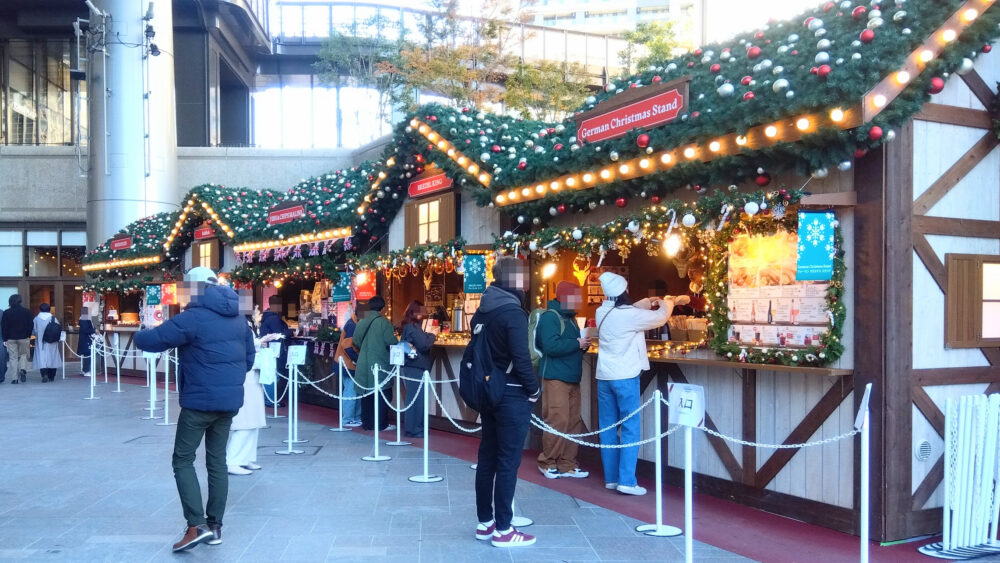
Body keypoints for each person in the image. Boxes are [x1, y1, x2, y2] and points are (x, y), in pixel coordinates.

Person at [134, 267, 255, 552]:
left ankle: (196, 526)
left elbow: (153, 341)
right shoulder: (239, 317)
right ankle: (215, 527)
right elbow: (249, 359)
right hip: (229, 402)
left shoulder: (192, 317)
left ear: (195, 287)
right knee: (217, 462)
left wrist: (141, 331)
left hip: (199, 402)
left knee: (183, 460)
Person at [471, 256, 540, 548]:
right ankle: (503, 529)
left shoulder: (483, 310)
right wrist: (533, 389)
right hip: (512, 393)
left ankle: (485, 522)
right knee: (508, 461)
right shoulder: (513, 313)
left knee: (487, 457)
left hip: (488, 391)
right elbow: (521, 358)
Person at [594, 272, 678, 496]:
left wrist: (647, 301)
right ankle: (627, 481)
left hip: (604, 377)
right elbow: (660, 317)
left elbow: (629, 309)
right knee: (630, 427)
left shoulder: (601, 311)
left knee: (608, 429)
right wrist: (668, 302)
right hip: (625, 376)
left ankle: (612, 478)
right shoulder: (629, 316)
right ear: (624, 291)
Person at [536, 281, 590, 479]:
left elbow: (566, 345)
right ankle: (547, 462)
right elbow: (550, 346)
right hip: (555, 376)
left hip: (572, 376)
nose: (579, 300)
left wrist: (582, 345)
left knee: (573, 422)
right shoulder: (550, 317)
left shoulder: (571, 318)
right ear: (565, 297)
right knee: (558, 420)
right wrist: (577, 343)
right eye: (576, 297)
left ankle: (567, 463)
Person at [227, 318, 271, 476]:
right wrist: (259, 344)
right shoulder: (235, 326)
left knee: (253, 422)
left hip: (252, 379)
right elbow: (244, 349)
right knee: (245, 423)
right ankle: (232, 461)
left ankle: (246, 458)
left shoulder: (241, 324)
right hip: (245, 378)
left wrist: (259, 343)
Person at [352, 295, 397, 431]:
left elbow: (355, 341)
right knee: (382, 394)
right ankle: (380, 424)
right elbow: (391, 342)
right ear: (382, 308)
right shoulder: (384, 323)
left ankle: (367, 423)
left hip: (363, 363)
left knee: (366, 395)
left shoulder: (361, 321)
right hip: (379, 363)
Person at [400, 300, 436, 438]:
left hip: (412, 366)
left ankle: (415, 428)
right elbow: (424, 345)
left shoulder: (410, 326)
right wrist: (432, 334)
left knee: (415, 398)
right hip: (415, 366)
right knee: (417, 399)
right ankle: (414, 429)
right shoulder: (412, 327)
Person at [333, 304, 362, 427]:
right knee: (351, 391)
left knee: (356, 391)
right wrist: (357, 359)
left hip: (348, 363)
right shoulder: (352, 325)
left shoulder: (354, 323)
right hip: (347, 364)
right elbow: (348, 346)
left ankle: (355, 417)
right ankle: (348, 419)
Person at [259, 295, 291, 407]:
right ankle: (271, 400)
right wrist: (289, 332)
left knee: (269, 374)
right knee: (272, 375)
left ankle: (269, 399)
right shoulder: (273, 318)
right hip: (273, 350)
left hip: (267, 348)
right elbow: (279, 334)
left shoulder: (266, 316)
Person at [2, 294, 33, 384]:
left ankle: (14, 378)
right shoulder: (26, 311)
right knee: (23, 354)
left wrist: (4, 339)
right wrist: (29, 335)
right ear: (20, 301)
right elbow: (30, 325)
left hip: (10, 338)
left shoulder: (6, 312)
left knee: (13, 358)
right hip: (23, 337)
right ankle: (22, 369)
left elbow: (4, 327)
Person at [32, 303, 61, 382]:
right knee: (53, 357)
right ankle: (52, 376)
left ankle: (44, 374)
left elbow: (33, 331)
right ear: (49, 310)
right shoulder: (53, 318)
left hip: (40, 342)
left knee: (42, 358)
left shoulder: (36, 319)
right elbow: (58, 329)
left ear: (40, 309)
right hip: (52, 341)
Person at [77, 308, 97, 378]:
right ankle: (86, 371)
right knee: (87, 355)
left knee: (86, 355)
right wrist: (94, 330)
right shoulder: (84, 319)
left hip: (84, 339)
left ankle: (85, 370)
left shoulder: (82, 319)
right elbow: (86, 329)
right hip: (86, 339)